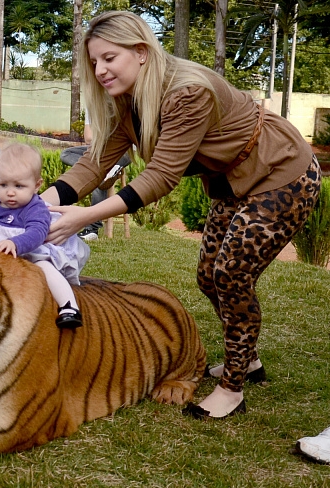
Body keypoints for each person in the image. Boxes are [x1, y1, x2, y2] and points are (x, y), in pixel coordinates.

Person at [41, 11, 320, 419]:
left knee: (230, 274)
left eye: (109, 58)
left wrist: (83, 216)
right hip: (233, 180)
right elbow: (94, 164)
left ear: (140, 52)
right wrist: (32, 204)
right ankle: (249, 358)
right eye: (94, 62)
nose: (100, 70)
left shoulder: (187, 92)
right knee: (208, 276)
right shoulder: (130, 101)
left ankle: (232, 388)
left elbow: (161, 176)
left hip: (281, 172)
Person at [0, 143, 89, 328]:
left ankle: (68, 305)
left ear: (36, 185)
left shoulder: (35, 208)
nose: (10, 192)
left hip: (32, 251)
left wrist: (15, 243)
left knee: (46, 268)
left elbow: (37, 233)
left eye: (19, 186)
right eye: (3, 184)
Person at [59, 109, 131, 240]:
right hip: (98, 150)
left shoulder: (122, 102)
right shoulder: (93, 105)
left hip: (122, 152)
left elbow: (127, 139)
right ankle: (106, 171)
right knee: (66, 154)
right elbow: (88, 138)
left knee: (98, 172)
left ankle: (92, 229)